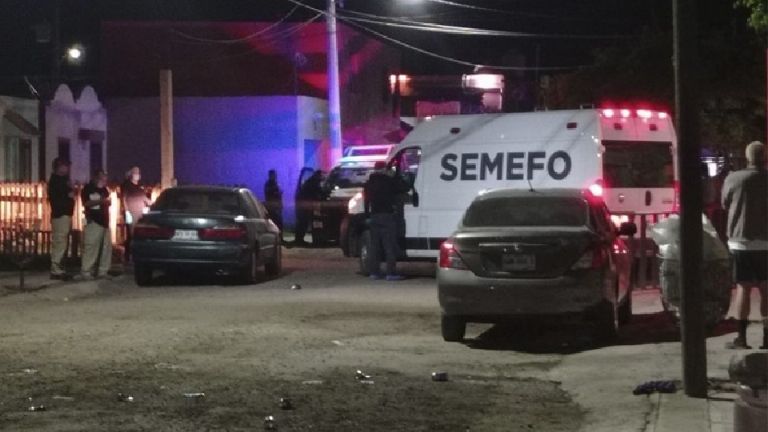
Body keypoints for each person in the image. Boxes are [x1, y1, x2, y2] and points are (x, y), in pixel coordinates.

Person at [722, 141, 768, 349]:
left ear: (747, 157)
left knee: (743, 287)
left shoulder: (734, 178)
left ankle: (742, 338)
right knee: (767, 289)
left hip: (741, 242)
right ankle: (767, 338)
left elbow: (725, 203)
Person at [364, 161, 408, 281]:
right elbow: (404, 187)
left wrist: (367, 216)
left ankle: (374, 272)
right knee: (389, 246)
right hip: (387, 216)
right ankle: (390, 273)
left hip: (374, 216)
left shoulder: (369, 183)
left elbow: (366, 202)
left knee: (375, 247)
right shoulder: (389, 182)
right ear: (384, 169)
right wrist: (394, 175)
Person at [80, 169, 113, 279]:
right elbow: (86, 203)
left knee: (106, 248)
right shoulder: (88, 189)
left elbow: (107, 201)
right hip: (93, 221)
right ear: (96, 178)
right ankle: (86, 271)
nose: (105, 181)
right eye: (103, 178)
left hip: (104, 221)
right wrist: (101, 201)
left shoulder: (104, 190)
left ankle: (103, 271)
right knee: (91, 246)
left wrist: (107, 203)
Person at [48, 158, 75, 280]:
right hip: (60, 214)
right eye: (65, 166)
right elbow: (57, 198)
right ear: (59, 167)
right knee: (60, 241)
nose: (67, 169)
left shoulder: (64, 180)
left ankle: (60, 267)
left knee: (63, 241)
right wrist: (68, 195)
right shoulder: (55, 181)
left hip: (65, 213)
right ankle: (56, 269)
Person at [121, 166, 151, 263]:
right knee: (131, 235)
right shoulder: (127, 185)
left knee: (138, 235)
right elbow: (123, 199)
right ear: (131, 174)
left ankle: (136, 255)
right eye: (135, 172)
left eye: (138, 173)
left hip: (140, 215)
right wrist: (126, 212)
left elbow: (146, 200)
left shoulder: (139, 188)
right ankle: (127, 257)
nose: (137, 174)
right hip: (131, 214)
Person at [294, 170, 323, 245]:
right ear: (318, 175)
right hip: (304, 204)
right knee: (303, 222)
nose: (321, 178)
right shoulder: (313, 182)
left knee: (303, 222)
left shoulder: (311, 181)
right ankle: (299, 240)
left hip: (303, 203)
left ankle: (299, 239)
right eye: (321, 176)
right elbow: (317, 192)